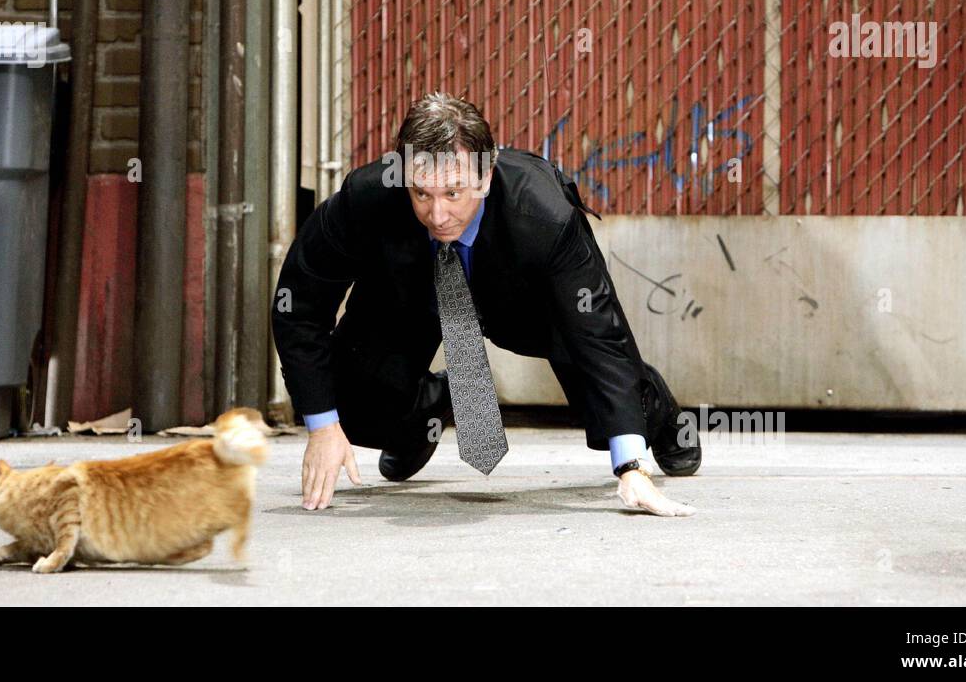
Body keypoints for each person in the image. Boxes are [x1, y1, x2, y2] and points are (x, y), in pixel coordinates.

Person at [270, 92, 700, 516]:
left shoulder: (543, 214)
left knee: (598, 380)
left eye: (454, 193)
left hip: (520, 300)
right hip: (410, 297)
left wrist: (630, 464)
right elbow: (299, 306)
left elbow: (600, 335)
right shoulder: (363, 200)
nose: (438, 215)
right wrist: (322, 426)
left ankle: (656, 408)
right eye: (422, 194)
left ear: (486, 176)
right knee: (345, 402)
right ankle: (429, 408)